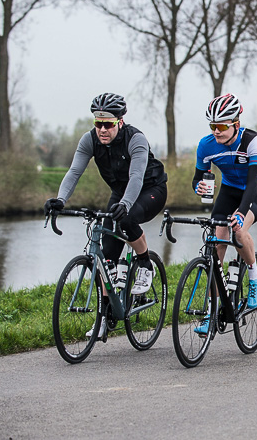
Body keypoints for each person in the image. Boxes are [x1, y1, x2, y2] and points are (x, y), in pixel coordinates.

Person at [44, 92, 168, 338]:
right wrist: (60, 200)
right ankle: (105, 316)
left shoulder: (136, 139)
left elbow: (136, 177)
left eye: (108, 124)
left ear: (120, 122)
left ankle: (144, 263)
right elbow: (74, 171)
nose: (102, 129)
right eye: (98, 123)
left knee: (127, 217)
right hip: (120, 193)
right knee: (106, 258)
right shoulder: (89, 140)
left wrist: (126, 203)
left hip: (150, 189)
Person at [193, 93, 257, 334]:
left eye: (221, 126)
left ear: (236, 124)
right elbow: (199, 177)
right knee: (216, 245)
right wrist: (198, 186)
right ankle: (211, 311)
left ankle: (254, 277)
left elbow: (253, 182)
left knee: (239, 232)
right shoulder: (206, 145)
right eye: (212, 126)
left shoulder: (253, 140)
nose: (216, 131)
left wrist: (240, 213)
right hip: (229, 189)